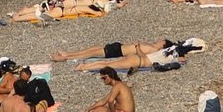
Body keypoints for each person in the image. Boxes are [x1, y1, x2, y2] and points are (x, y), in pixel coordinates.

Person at [54, 36, 205, 71]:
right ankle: (82, 65)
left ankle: (83, 65)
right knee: (107, 63)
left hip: (131, 57)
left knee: (106, 62)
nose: (159, 40)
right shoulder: (158, 52)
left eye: (161, 40)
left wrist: (138, 46)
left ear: (164, 45)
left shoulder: (156, 50)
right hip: (134, 59)